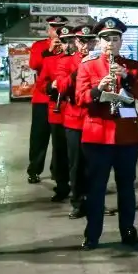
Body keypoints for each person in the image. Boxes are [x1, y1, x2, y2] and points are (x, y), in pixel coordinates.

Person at [75, 17, 138, 249]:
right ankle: (92, 234)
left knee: (127, 187)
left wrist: (127, 77)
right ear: (98, 42)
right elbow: (80, 99)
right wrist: (97, 89)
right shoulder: (88, 66)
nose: (110, 43)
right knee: (96, 188)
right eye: (106, 39)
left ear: (121, 41)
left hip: (126, 136)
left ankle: (128, 230)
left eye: (115, 38)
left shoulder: (133, 66)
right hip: (97, 137)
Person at [57, 24, 95, 218]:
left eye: (90, 41)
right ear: (76, 41)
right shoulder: (66, 62)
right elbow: (62, 87)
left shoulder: (101, 61)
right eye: (81, 41)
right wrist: (81, 67)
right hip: (75, 119)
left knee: (96, 164)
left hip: (97, 118)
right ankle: (78, 202)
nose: (85, 45)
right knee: (77, 164)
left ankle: (95, 200)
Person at [27, 16, 68, 184]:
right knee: (39, 136)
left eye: (60, 27)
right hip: (42, 99)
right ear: (48, 30)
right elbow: (33, 64)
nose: (57, 31)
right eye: (54, 27)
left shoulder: (69, 45)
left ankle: (56, 170)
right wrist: (49, 51)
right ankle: (34, 169)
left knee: (60, 139)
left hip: (63, 100)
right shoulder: (39, 46)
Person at [42, 25, 75, 202]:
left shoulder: (84, 60)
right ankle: (62, 185)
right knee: (60, 151)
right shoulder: (50, 61)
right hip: (58, 110)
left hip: (79, 111)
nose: (67, 45)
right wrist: (51, 87)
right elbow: (40, 85)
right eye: (63, 41)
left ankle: (80, 185)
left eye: (70, 40)